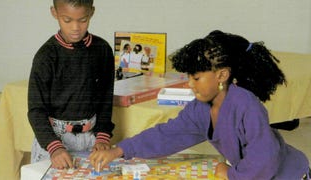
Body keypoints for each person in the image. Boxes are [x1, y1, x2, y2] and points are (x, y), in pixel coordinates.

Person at [89, 30, 310, 179]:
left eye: (196, 78)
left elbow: (265, 160)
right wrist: (120, 150)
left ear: (221, 75)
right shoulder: (201, 108)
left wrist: (230, 174)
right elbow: (167, 134)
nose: (190, 84)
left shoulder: (246, 105)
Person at [28, 0, 115, 169]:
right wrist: (54, 147)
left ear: (92, 13)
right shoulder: (45, 56)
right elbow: (36, 110)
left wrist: (103, 135)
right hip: (53, 141)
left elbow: (106, 98)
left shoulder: (102, 50)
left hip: (92, 139)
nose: (75, 27)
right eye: (67, 20)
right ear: (54, 13)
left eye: (82, 20)